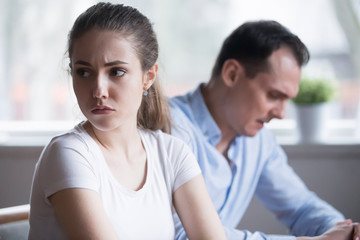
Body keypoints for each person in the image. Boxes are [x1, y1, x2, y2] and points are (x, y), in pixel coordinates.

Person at [28, 3, 227, 240]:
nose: (98, 90)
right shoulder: (69, 153)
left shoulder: (173, 153)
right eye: (84, 72)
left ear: (148, 77)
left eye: (116, 72)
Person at [169, 20, 360, 240]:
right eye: (273, 95)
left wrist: (345, 230)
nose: (280, 113)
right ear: (232, 73)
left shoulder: (257, 141)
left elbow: (301, 207)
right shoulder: (170, 126)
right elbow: (179, 234)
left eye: (286, 100)